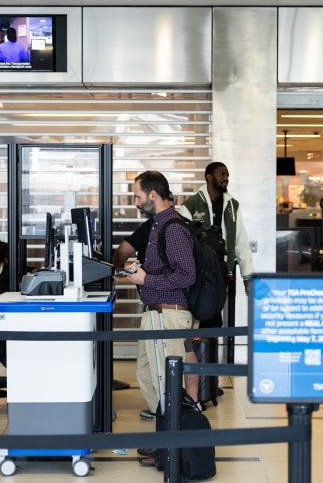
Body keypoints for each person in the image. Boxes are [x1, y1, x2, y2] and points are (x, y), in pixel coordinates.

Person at [123, 171, 195, 464]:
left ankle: (173, 450)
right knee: (148, 378)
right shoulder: (156, 226)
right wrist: (140, 271)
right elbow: (165, 270)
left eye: (138, 197)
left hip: (169, 315)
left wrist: (145, 280)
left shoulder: (173, 228)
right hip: (155, 315)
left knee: (166, 383)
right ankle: (163, 440)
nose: (135, 202)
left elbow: (186, 275)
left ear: (153, 195)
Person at [179, 162, 256, 292]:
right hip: (199, 272)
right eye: (222, 174)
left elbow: (241, 242)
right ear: (209, 177)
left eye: (227, 175)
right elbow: (183, 243)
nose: (226, 178)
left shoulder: (232, 205)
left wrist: (247, 276)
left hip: (224, 270)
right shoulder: (191, 205)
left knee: (219, 309)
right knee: (203, 310)